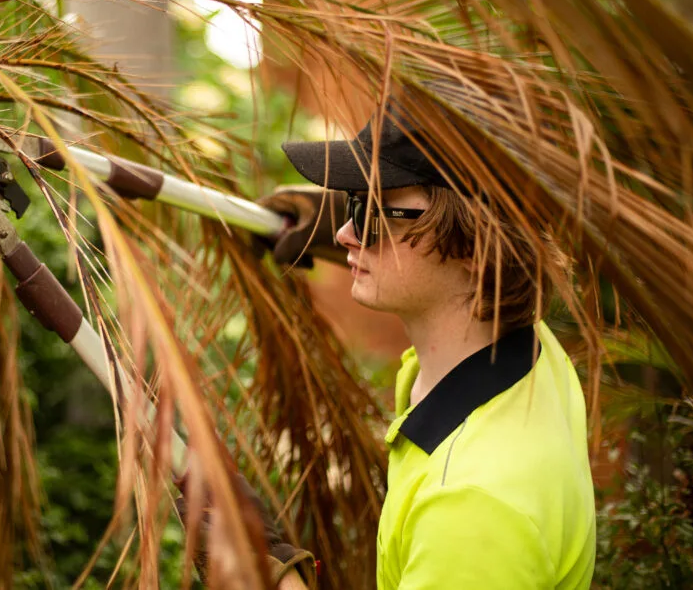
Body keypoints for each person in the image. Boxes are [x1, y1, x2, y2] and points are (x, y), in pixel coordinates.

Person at [178, 87, 597, 589]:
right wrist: (356, 218)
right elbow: (443, 243)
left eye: (373, 211)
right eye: (354, 206)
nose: (343, 236)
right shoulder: (521, 346)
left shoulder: (470, 507)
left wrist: (266, 576)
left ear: (475, 245)